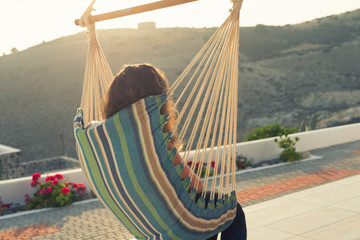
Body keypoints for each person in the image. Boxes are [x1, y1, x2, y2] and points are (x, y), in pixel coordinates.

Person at [100, 63, 247, 240]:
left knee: (209, 213)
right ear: (157, 102)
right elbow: (197, 186)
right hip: (179, 229)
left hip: (148, 228)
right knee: (231, 210)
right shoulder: (155, 144)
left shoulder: (108, 146)